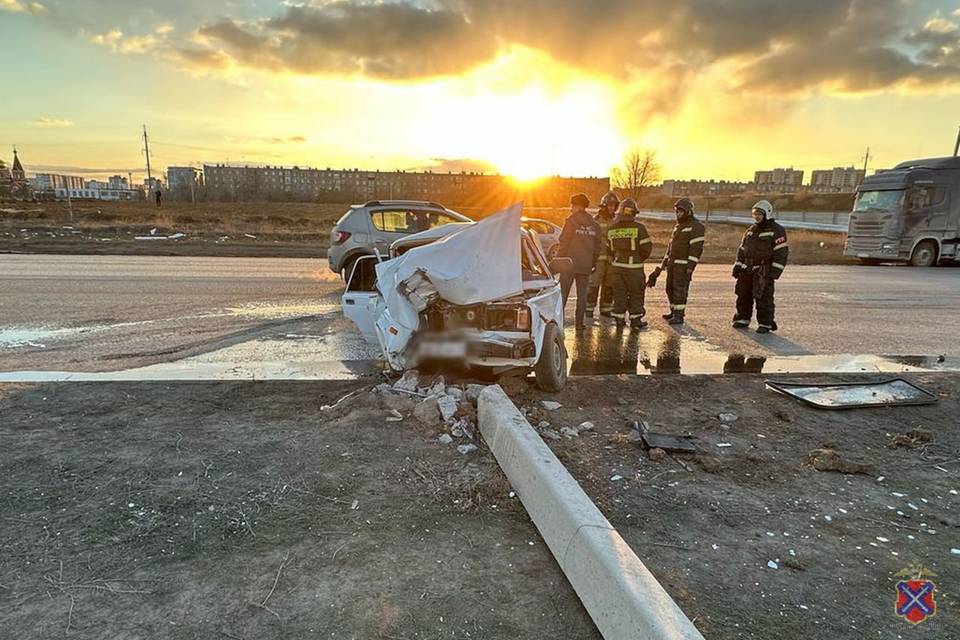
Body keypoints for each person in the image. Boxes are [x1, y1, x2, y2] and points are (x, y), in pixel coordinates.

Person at [732, 200, 789, 333]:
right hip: (747, 269)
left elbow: (781, 252)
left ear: (767, 214)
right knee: (743, 294)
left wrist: (774, 272)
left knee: (764, 297)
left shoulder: (777, 230)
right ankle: (742, 318)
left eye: (759, 214)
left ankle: (765, 323)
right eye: (754, 214)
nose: (756, 216)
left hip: (764, 270)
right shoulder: (751, 231)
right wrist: (738, 266)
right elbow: (742, 250)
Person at [646, 198, 705, 325]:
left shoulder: (696, 227)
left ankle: (679, 316)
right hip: (673, 265)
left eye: (681, 212)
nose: (678, 214)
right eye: (677, 212)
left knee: (680, 291)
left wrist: (690, 268)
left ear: (688, 211)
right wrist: (661, 268)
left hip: (683, 266)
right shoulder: (678, 226)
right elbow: (670, 249)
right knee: (670, 289)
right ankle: (673, 312)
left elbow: (696, 250)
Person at [557, 193, 603, 331]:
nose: (571, 209)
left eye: (572, 206)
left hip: (569, 264)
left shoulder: (571, 221)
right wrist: (593, 263)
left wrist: (558, 260)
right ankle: (580, 323)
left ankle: (559, 323)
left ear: (577, 206)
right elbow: (598, 247)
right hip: (585, 265)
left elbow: (563, 242)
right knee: (582, 296)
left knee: (562, 295)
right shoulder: (594, 224)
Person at [606, 198, 652, 329]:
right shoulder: (639, 228)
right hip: (634, 270)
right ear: (633, 213)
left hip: (617, 269)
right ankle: (635, 321)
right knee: (636, 293)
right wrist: (637, 258)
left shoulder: (612, 229)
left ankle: (619, 321)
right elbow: (647, 249)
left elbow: (607, 248)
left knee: (619, 294)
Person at [586, 191, 619, 318]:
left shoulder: (616, 222)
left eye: (614, 206)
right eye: (610, 205)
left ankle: (606, 308)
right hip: (597, 260)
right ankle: (588, 309)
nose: (612, 208)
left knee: (609, 285)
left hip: (611, 260)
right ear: (604, 206)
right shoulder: (594, 221)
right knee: (593, 284)